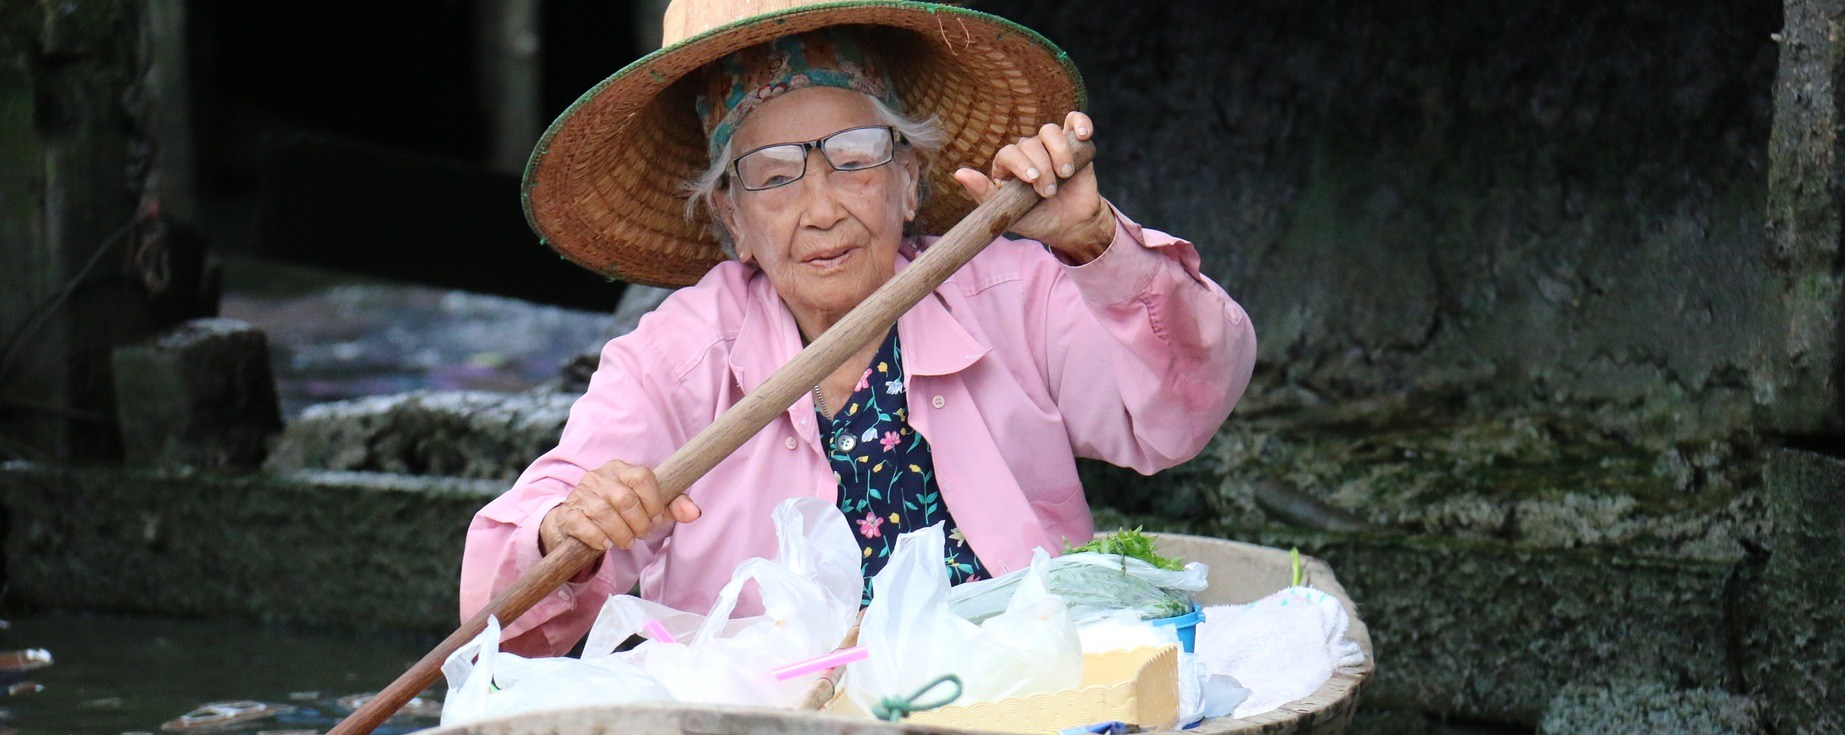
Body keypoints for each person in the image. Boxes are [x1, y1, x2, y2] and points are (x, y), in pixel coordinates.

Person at [462, 0, 1257, 656]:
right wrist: (565, 530)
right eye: (773, 175)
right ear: (732, 219)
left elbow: (1180, 415)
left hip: (1016, 703)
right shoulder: (674, 358)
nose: (821, 208)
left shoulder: (1012, 293)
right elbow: (510, 618)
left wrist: (1094, 243)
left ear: (908, 181)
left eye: (855, 156)